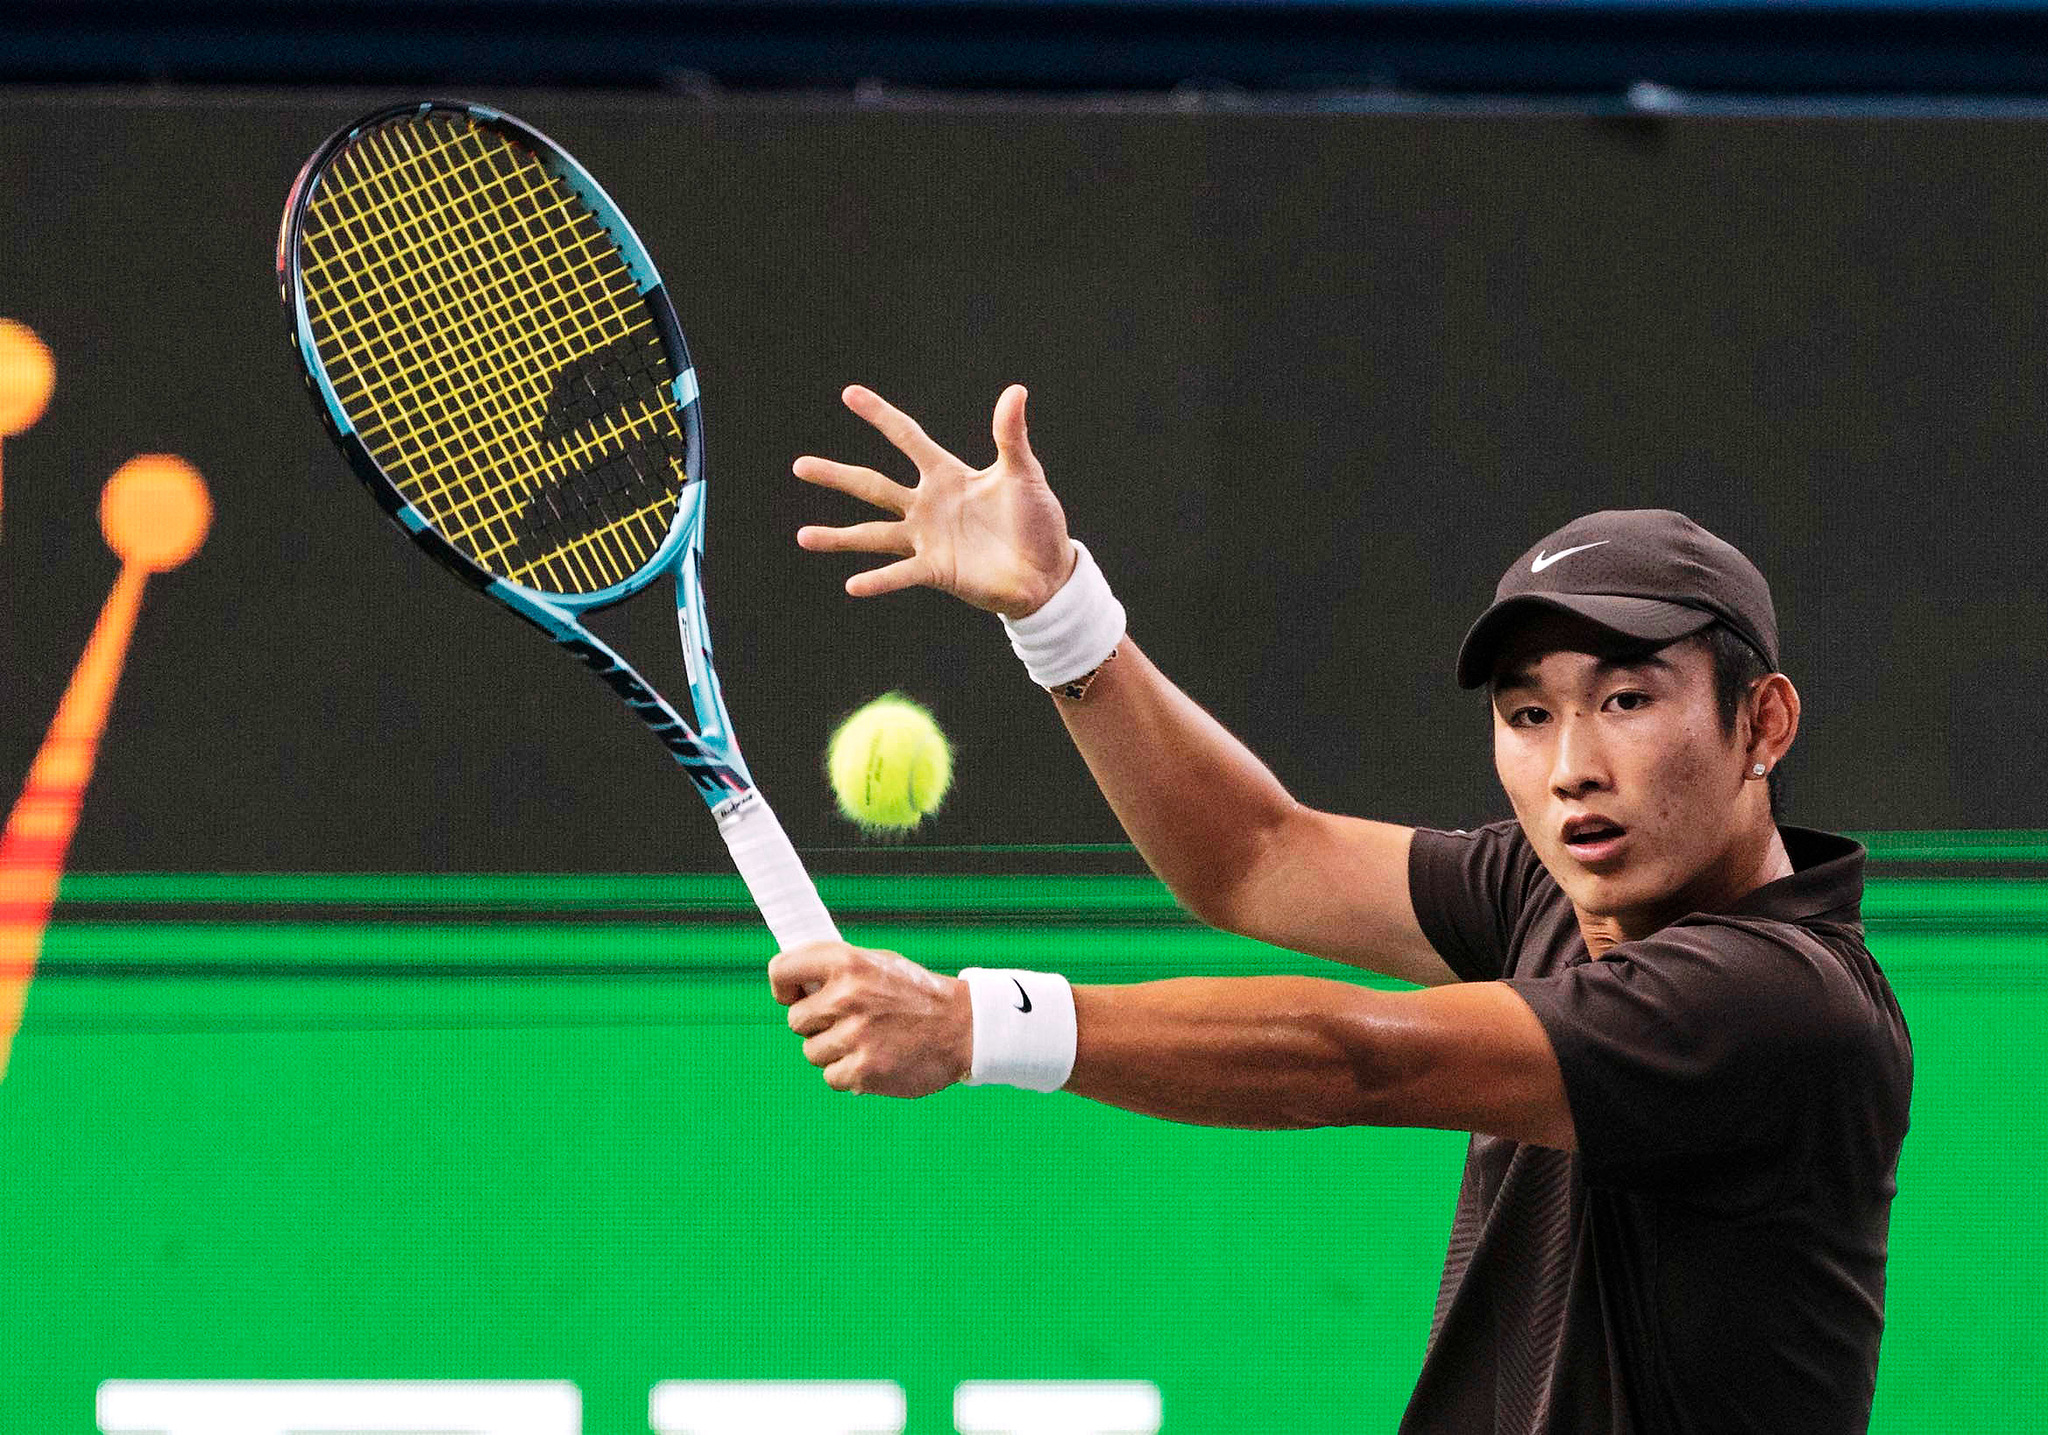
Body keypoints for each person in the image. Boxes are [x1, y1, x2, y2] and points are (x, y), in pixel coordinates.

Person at [769, 383, 1913, 1434]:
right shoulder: (1553, 889)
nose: (1569, 767)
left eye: (1623, 699)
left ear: (1759, 724)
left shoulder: (1781, 1005)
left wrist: (980, 1022)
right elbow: (1254, 857)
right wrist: (1057, 609)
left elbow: (1356, 1057)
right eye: (1526, 715)